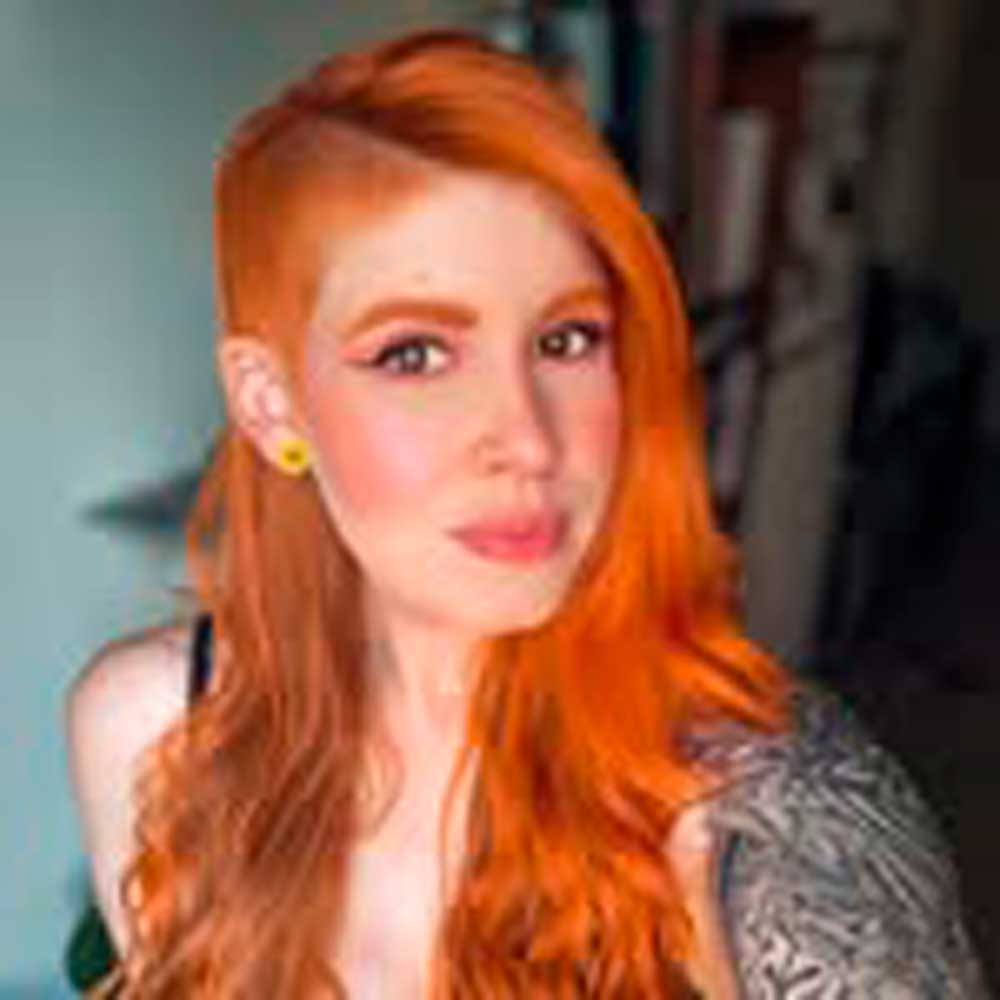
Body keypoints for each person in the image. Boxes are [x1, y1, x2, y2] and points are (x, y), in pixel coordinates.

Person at [65, 26, 988, 999]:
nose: (528, 438)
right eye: (415, 354)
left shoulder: (759, 809)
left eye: (568, 338)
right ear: (271, 405)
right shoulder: (155, 733)